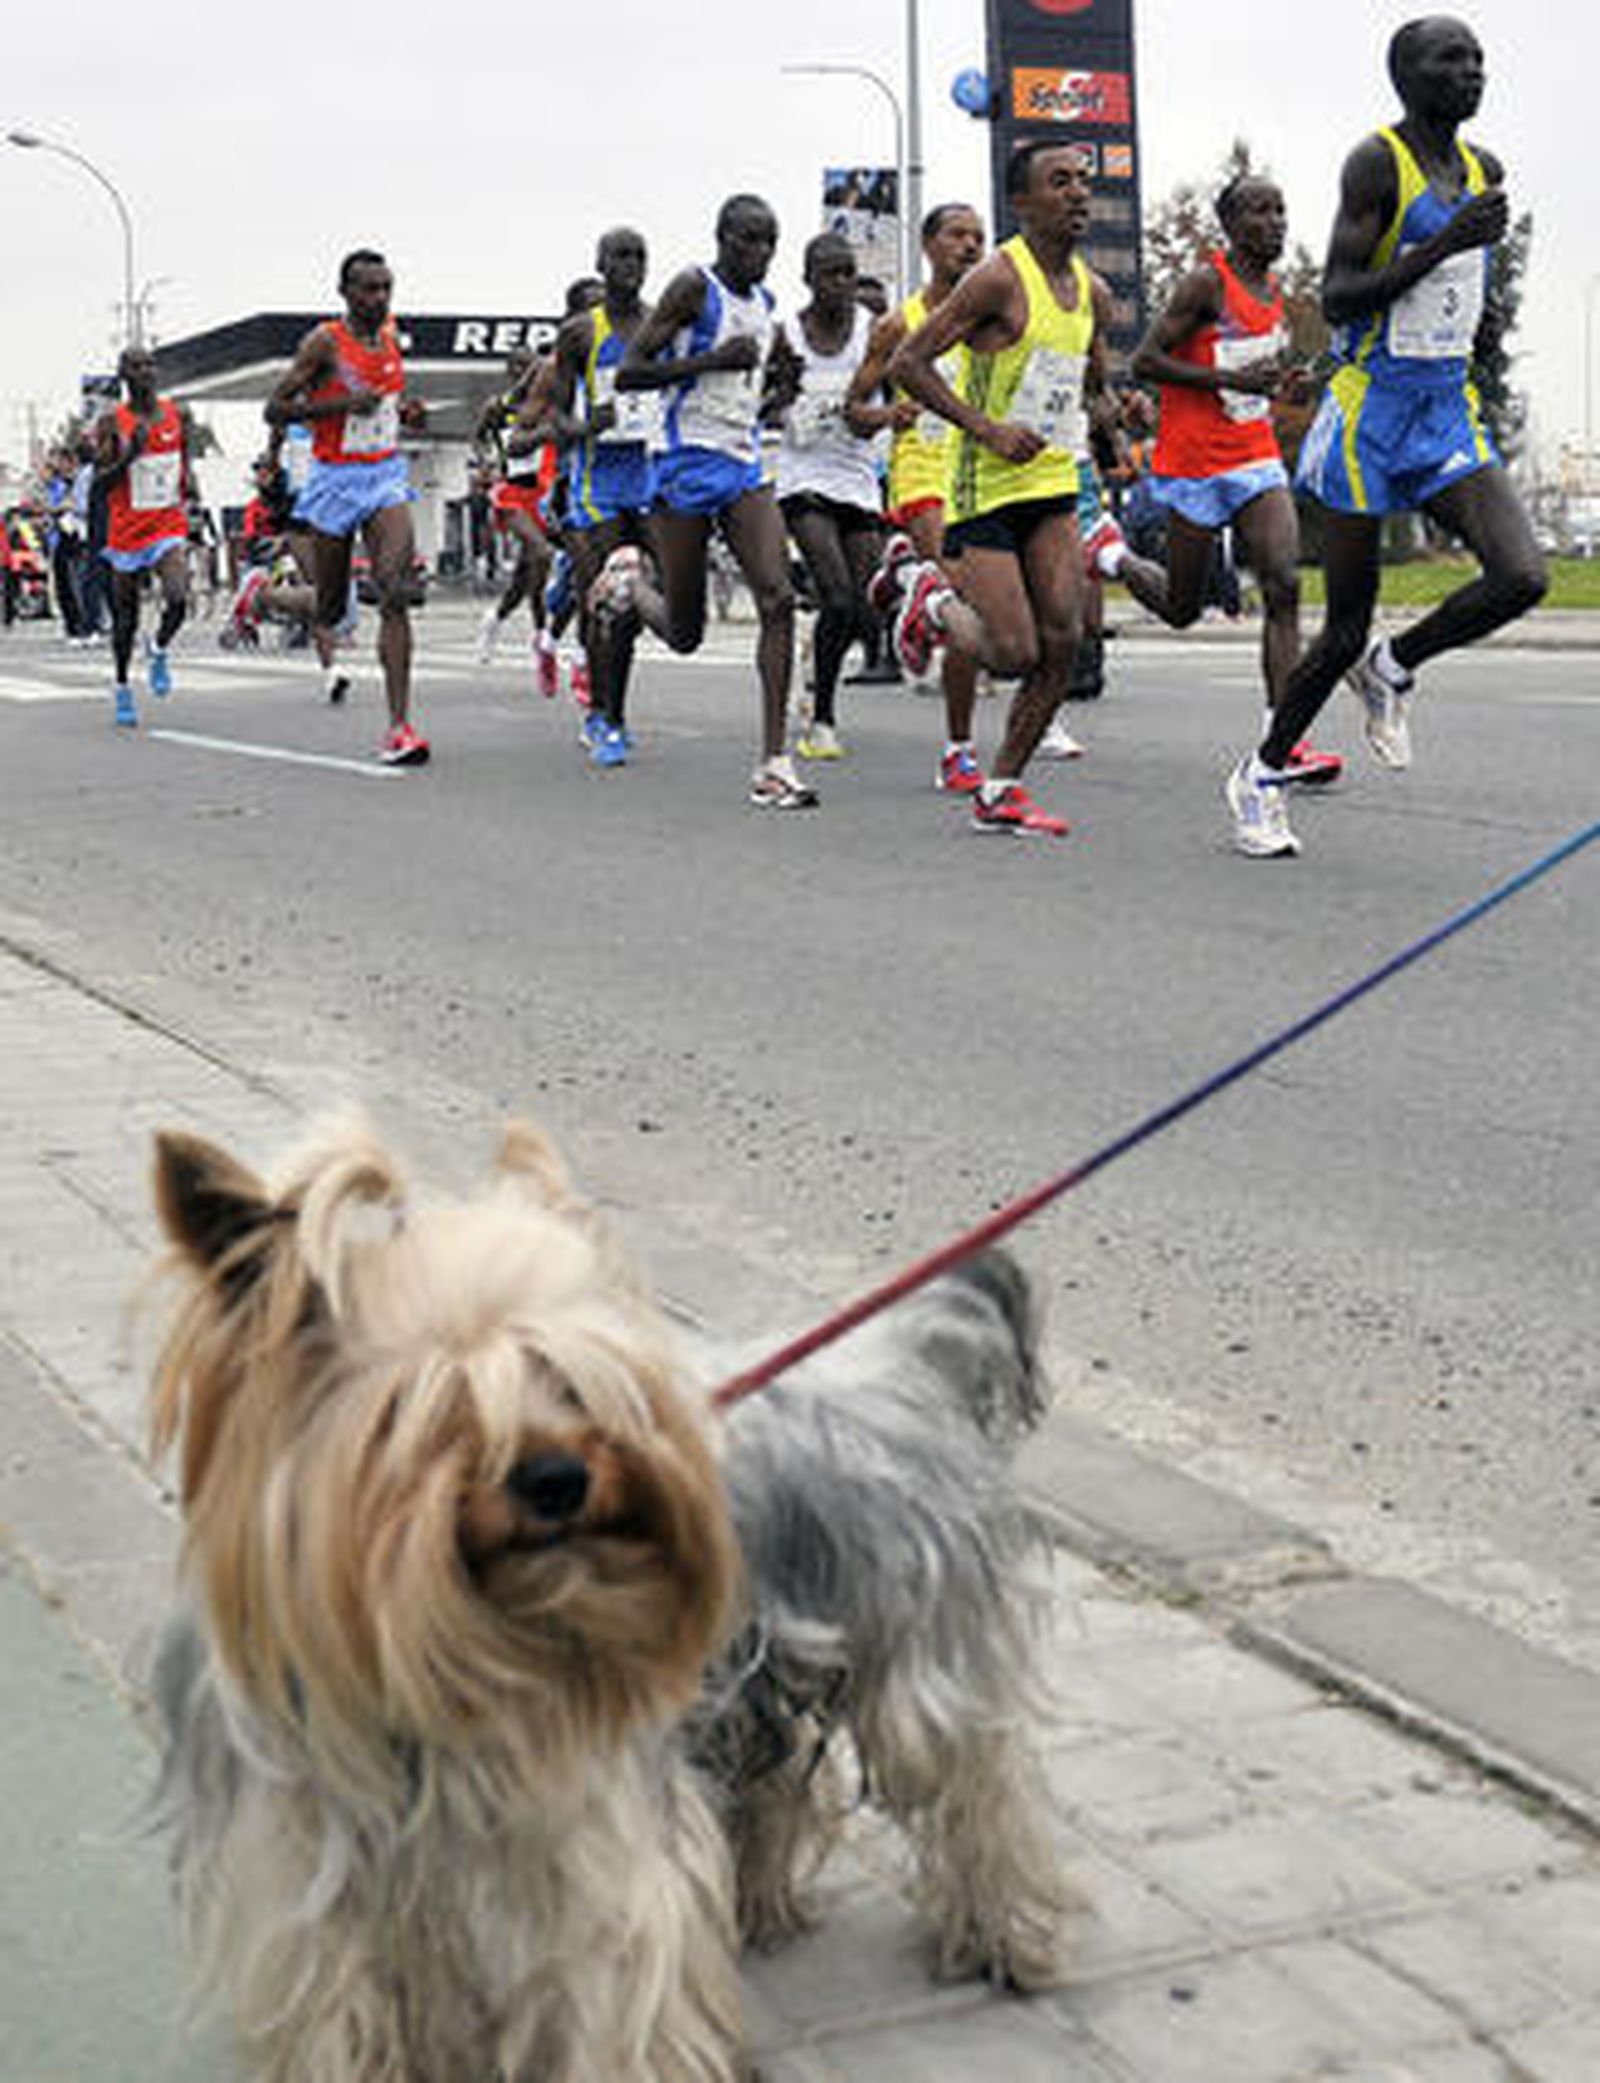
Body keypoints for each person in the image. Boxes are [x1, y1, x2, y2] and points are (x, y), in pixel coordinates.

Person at [1226, 16, 1546, 857]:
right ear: (1407, 76)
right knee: (1339, 628)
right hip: (1369, 416)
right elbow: (1338, 295)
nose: (1472, 71)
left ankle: (1396, 664)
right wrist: (1445, 241)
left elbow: (1463, 292)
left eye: (1479, 57)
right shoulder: (1378, 163)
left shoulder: (1485, 169)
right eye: (1451, 59)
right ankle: (1259, 774)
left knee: (1523, 575)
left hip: (1444, 408)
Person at [884, 142, 1114, 836]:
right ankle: (928, 594)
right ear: (1023, 202)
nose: (1077, 194)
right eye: (1059, 182)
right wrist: (984, 428)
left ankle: (1002, 786)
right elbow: (907, 362)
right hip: (985, 481)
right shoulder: (995, 279)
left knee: (1064, 640)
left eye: (1083, 182)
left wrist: (1112, 414)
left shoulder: (1093, 291)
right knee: (1014, 652)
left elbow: (1091, 379)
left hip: (1050, 478)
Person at [1100, 171, 1342, 796]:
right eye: (1259, 212)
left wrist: (1282, 386)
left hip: (1254, 456)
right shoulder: (1206, 282)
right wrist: (1229, 383)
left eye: (1281, 208)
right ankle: (1115, 558)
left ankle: (1280, 740)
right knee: (1182, 609)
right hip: (1195, 463)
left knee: (1284, 584)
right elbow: (1147, 361)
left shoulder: (1274, 290)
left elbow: (1253, 372)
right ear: (1230, 225)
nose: (1275, 222)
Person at [609, 193, 812, 809]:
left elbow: (756, 394)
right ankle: (628, 588)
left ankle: (775, 761)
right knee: (685, 633)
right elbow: (631, 372)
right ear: (723, 237)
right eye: (751, 240)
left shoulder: (767, 306)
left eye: (771, 242)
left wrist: (781, 386)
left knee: (778, 598)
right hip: (682, 464)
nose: (762, 254)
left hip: (743, 463)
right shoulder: (692, 289)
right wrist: (712, 359)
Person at [265, 248, 431, 765]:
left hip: (384, 475)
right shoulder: (323, 342)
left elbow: (386, 399)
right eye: (369, 289)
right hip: (334, 480)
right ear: (345, 292)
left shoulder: (389, 334)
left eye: (386, 288)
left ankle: (399, 728)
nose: (380, 298)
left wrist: (407, 411)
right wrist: (338, 405)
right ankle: (268, 598)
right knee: (332, 611)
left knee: (394, 590)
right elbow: (275, 408)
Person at [848, 203, 988, 787]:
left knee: (980, 618)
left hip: (979, 473)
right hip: (921, 469)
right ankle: (959, 753)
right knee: (955, 598)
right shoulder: (897, 324)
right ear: (929, 245)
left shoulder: (994, 318)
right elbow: (853, 411)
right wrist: (888, 413)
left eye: (979, 237)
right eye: (958, 235)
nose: (971, 246)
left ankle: (902, 578)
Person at [539, 228, 659, 766]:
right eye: (621, 256)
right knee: (604, 601)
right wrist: (589, 424)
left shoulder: (663, 324)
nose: (631, 265)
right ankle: (601, 718)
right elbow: (557, 417)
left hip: (650, 481)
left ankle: (616, 710)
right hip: (597, 488)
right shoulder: (580, 333)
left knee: (633, 609)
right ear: (601, 264)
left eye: (639, 256)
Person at [771, 232, 888, 762]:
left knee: (862, 605)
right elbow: (761, 406)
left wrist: (890, 416)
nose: (842, 284)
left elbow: (898, 391)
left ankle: (815, 661)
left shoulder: (875, 333)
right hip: (804, 474)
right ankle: (822, 718)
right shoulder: (786, 334)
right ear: (808, 279)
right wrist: (780, 398)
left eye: (848, 272)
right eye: (830, 274)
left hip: (858, 475)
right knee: (837, 593)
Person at [94, 344, 194, 729]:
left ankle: (160, 647)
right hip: (126, 533)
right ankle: (121, 685)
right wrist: (129, 454)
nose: (146, 371)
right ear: (124, 375)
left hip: (167, 524)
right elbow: (101, 485)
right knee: (125, 621)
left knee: (178, 597)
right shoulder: (111, 422)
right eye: (136, 366)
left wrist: (190, 488)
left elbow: (181, 461)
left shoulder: (176, 414)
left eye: (150, 364)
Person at [474, 346, 559, 692]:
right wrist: (488, 465)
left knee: (528, 578)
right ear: (512, 371)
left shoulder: (549, 405)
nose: (530, 373)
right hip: (511, 493)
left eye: (534, 368)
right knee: (540, 554)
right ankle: (543, 640)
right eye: (522, 367)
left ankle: (496, 619)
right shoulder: (498, 407)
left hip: (544, 492)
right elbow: (480, 439)